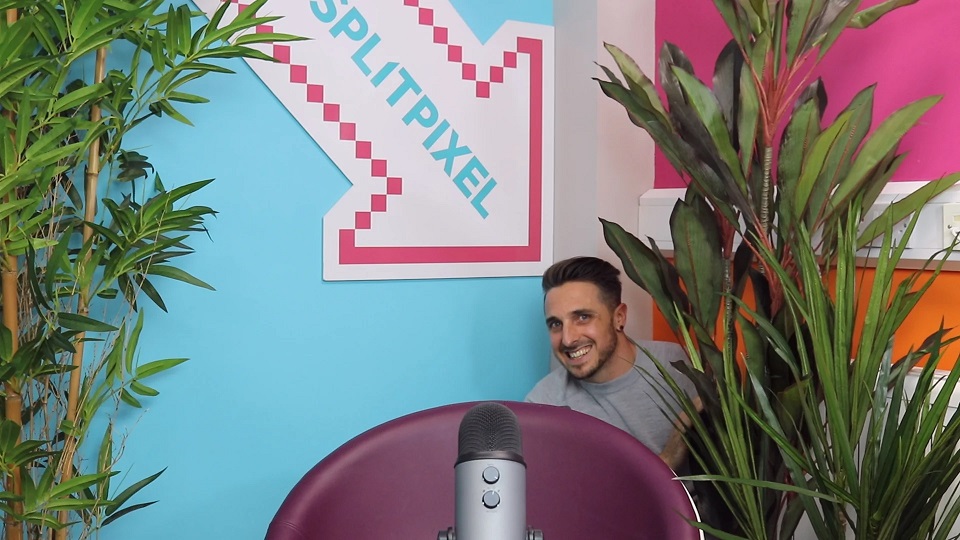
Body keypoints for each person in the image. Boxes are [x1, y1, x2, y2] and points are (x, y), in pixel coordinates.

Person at [525, 256, 697, 470]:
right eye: (556, 324)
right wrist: (669, 458)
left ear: (619, 317)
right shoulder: (544, 404)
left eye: (583, 317)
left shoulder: (676, 366)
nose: (568, 339)